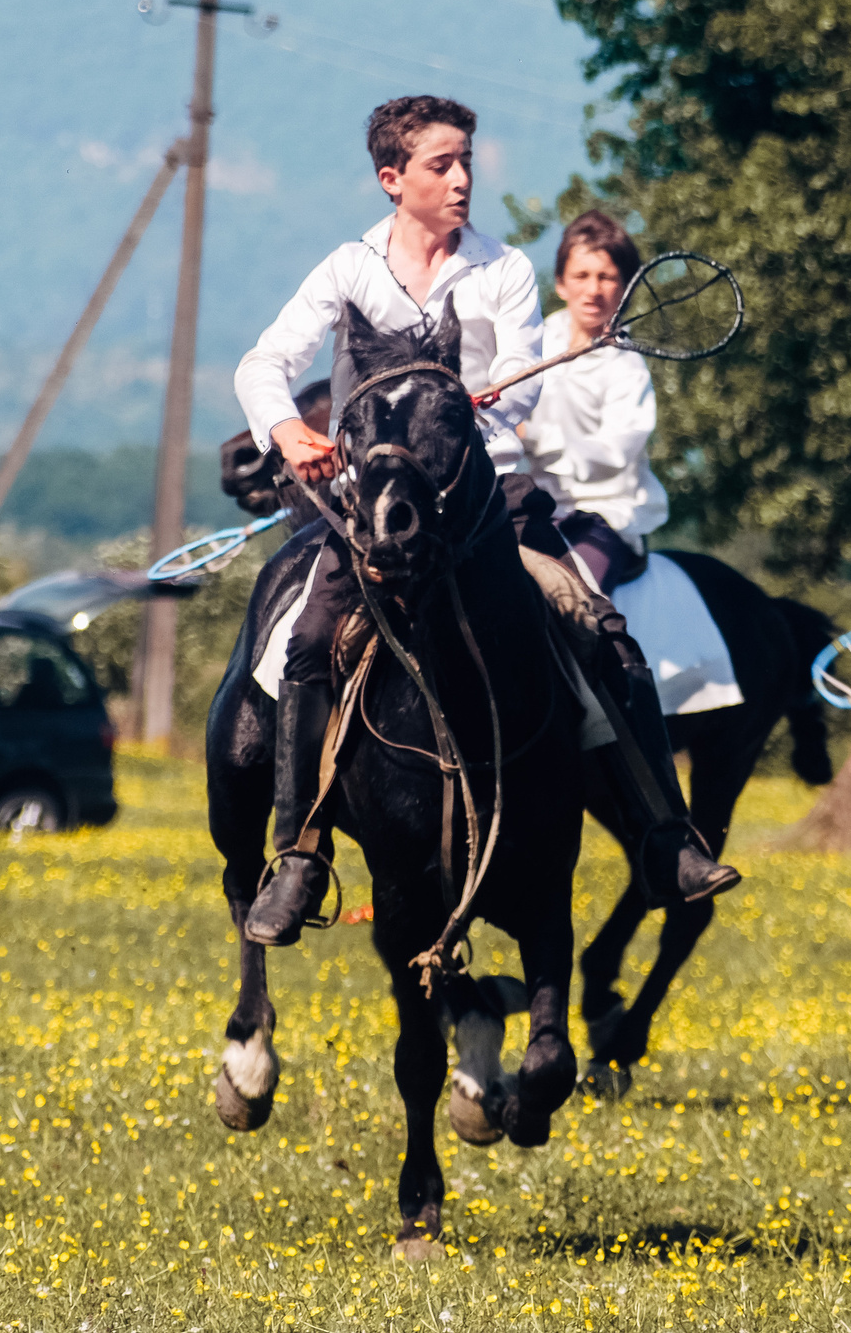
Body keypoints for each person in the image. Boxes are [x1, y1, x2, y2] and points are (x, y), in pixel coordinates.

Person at [228, 94, 734, 947]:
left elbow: (522, 380)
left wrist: (473, 403)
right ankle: (301, 854)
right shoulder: (348, 269)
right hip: (374, 516)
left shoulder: (502, 270)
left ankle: (664, 835)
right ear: (393, 180)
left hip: (488, 507)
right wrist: (286, 428)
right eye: (441, 164)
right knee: (309, 643)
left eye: (466, 161)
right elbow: (263, 362)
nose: (463, 179)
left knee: (601, 630)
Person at [519, 210, 667, 593]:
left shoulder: (628, 367)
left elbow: (614, 455)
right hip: (532, 508)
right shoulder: (530, 345)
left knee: (577, 602)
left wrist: (533, 436)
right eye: (582, 276)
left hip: (604, 518)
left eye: (606, 277)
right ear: (561, 283)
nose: (593, 289)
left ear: (624, 287)